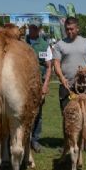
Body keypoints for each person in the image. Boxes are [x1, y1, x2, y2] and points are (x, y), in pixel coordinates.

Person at [53, 17, 86, 113]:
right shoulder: (59, 44)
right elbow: (56, 63)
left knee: (85, 117)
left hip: (82, 86)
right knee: (68, 118)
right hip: (66, 87)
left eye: (72, 29)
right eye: (67, 29)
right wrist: (61, 78)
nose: (69, 32)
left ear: (77, 28)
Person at [26, 24, 52, 153]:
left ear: (39, 29)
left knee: (38, 113)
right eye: (31, 28)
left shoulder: (45, 45)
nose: (32, 30)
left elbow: (48, 67)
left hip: (38, 85)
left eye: (35, 28)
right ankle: (24, 139)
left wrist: (45, 85)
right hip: (22, 85)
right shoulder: (20, 43)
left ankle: (35, 140)